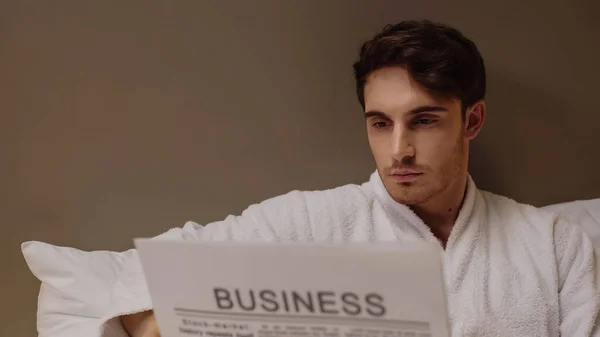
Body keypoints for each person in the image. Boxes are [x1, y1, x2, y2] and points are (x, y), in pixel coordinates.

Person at [105, 20, 599, 337]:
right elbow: (129, 278)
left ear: (472, 121)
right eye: (380, 123)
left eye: (424, 120)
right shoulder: (306, 222)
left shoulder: (554, 245)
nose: (398, 149)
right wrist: (159, 325)